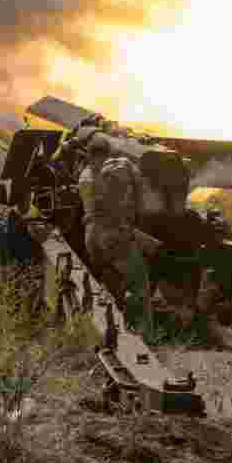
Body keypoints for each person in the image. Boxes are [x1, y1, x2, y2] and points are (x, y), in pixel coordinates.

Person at [77, 134, 152, 333]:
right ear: (107, 153)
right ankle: (143, 332)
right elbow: (139, 196)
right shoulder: (118, 168)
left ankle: (110, 325)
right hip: (113, 236)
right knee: (139, 283)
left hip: (91, 237)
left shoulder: (84, 174)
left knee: (110, 282)